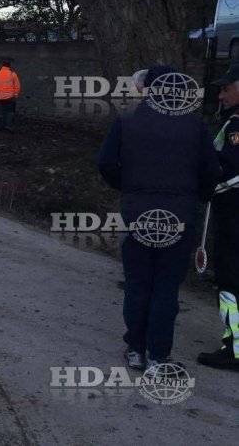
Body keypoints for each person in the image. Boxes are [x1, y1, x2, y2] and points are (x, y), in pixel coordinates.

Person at [98, 65, 220, 369]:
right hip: (180, 215)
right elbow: (211, 172)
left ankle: (135, 349)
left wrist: (128, 188)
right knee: (167, 286)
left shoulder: (127, 122)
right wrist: (197, 196)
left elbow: (106, 163)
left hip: (138, 212)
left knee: (138, 282)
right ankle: (159, 355)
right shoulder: (195, 126)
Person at [198, 61, 239, 371]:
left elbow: (231, 171)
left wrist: (206, 185)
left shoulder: (237, 125)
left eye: (226, 89)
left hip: (233, 217)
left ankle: (234, 350)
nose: (221, 95)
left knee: (230, 283)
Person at [0, 60, 20, 131]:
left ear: (2, 65)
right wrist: (15, 95)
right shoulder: (13, 74)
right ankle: (8, 125)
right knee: (10, 112)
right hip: (10, 97)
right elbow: (17, 86)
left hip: (0, 97)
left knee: (1, 112)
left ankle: (1, 126)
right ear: (9, 65)